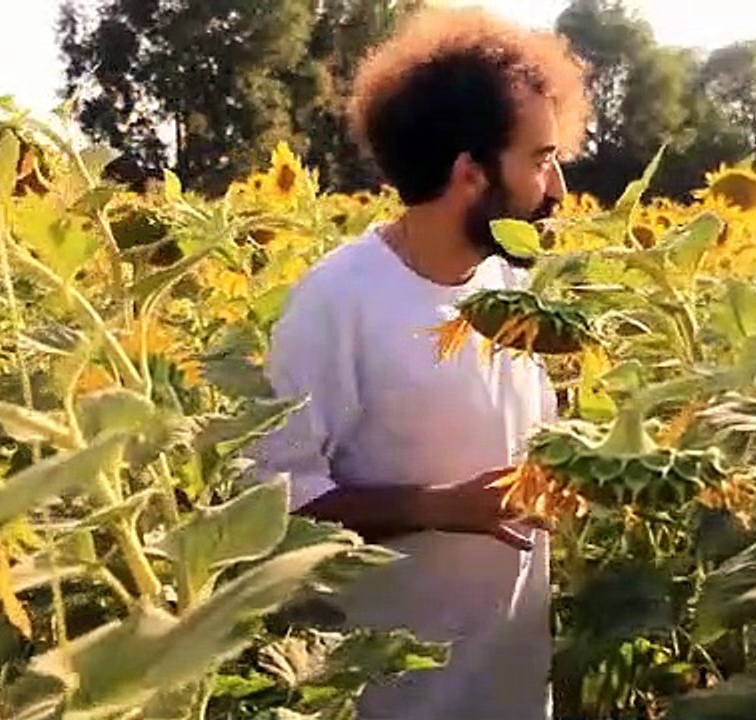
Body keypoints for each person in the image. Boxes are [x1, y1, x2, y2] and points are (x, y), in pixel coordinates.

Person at [249, 7, 591, 720]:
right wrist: (435, 508)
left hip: (514, 689)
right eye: (539, 159)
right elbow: (271, 506)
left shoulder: (508, 287)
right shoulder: (338, 302)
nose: (556, 188)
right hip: (398, 700)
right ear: (470, 172)